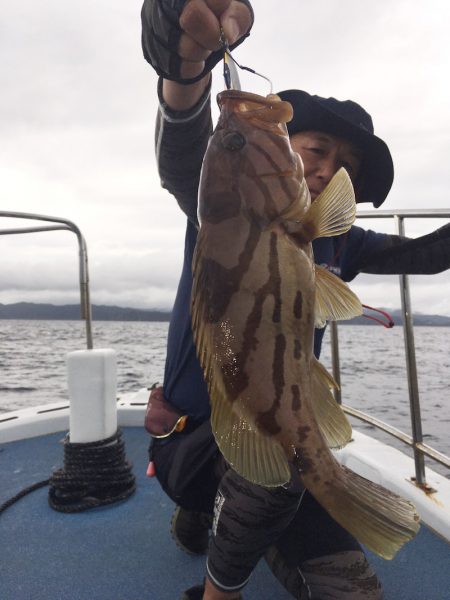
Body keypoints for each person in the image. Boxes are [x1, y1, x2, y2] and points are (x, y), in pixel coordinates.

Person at [141, 1, 450, 599]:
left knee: (350, 590)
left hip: (272, 439)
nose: (325, 169)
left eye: (342, 166)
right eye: (315, 148)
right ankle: (218, 579)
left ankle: (225, 521)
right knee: (278, 476)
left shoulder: (333, 239)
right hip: (193, 439)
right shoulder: (216, 215)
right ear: (286, 146)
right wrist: (183, 73)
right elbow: (183, 155)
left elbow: (424, 256)